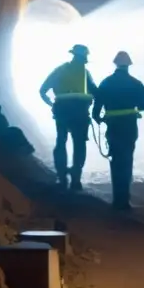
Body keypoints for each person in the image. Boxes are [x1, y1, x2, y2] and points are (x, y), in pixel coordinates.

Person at [93, 51, 144, 211]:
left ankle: (117, 199)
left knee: (115, 160)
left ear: (115, 64)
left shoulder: (106, 83)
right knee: (127, 160)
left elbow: (96, 111)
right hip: (129, 126)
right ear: (128, 65)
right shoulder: (135, 83)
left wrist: (100, 119)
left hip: (113, 127)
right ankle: (124, 200)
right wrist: (135, 107)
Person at [39, 44, 98, 191]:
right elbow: (96, 93)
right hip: (80, 112)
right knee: (79, 145)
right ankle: (76, 180)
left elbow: (42, 90)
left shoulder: (60, 70)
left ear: (73, 55)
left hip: (62, 111)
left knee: (61, 141)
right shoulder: (85, 73)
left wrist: (51, 104)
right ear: (84, 58)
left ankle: (62, 177)